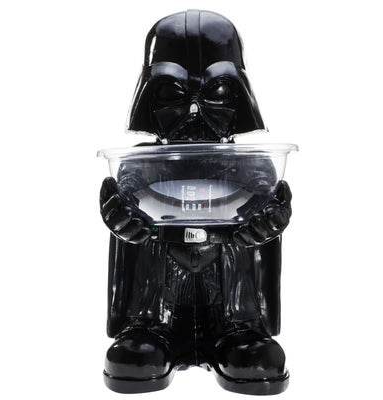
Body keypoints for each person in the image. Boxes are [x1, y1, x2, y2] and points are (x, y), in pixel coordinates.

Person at [99, 10, 292, 395]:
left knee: (255, 357)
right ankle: (148, 329)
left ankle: (240, 331)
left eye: (215, 94)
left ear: (237, 96)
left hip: (230, 297)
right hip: (158, 297)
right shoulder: (142, 163)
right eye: (171, 95)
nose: (192, 111)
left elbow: (266, 200)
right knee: (136, 356)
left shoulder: (251, 163)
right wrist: (119, 214)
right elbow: (126, 196)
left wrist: (270, 218)